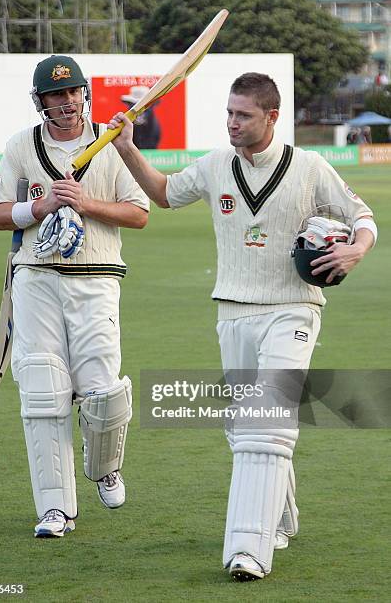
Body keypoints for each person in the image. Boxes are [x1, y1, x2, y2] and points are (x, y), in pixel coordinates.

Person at [106, 72, 377, 580]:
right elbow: (164, 194)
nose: (232, 123)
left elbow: (363, 218)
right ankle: (281, 512)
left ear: (271, 117)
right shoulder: (214, 166)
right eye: (229, 113)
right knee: (242, 427)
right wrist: (126, 147)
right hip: (232, 310)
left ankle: (248, 550)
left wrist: (357, 249)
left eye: (244, 115)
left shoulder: (310, 167)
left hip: (294, 308)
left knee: (266, 421)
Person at [0, 55, 149, 538]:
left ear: (85, 94)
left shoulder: (110, 142)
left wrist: (83, 202)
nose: (68, 102)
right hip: (35, 276)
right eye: (57, 95)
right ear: (41, 102)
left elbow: (139, 214)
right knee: (42, 390)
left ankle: (105, 466)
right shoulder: (22, 145)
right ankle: (55, 509)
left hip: (97, 276)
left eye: (74, 92)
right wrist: (40, 205)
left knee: (101, 388)